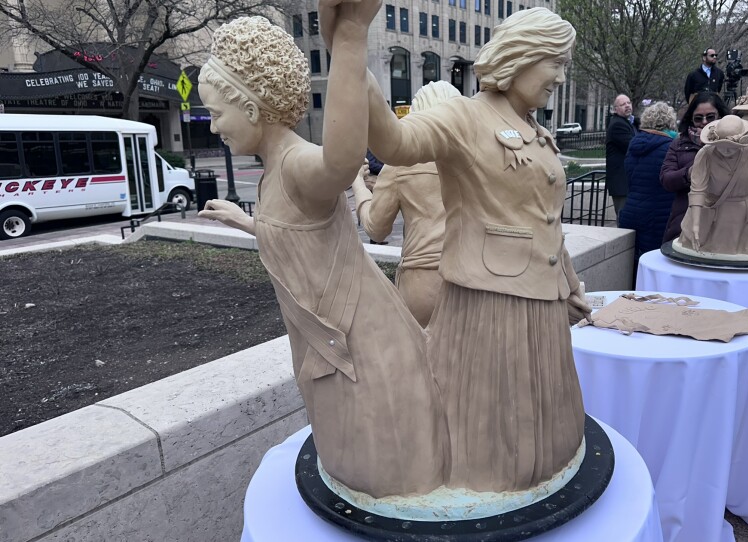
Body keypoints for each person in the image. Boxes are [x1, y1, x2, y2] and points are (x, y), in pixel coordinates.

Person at [196, 15, 448, 498]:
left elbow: (341, 161)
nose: (212, 128)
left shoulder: (297, 164)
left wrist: (350, 38)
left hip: (366, 351)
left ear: (249, 107)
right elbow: (301, 241)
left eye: (216, 113)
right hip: (328, 349)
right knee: (354, 473)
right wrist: (245, 221)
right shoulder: (275, 175)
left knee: (390, 479)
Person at [351, 7, 590, 493]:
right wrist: (352, 50)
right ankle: (496, 487)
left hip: (541, 299)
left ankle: (536, 480)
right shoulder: (463, 115)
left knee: (542, 417)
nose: (561, 78)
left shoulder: (535, 129)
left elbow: (547, 220)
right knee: (493, 421)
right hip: (491, 301)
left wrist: (568, 281)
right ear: (522, 57)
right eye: (555, 63)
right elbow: (395, 142)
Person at [351, 81, 461, 326]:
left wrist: (358, 183)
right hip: (470, 279)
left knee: (422, 358)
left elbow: (376, 228)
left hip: (422, 283)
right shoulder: (476, 157)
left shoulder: (400, 165)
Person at [674, 115, 748, 257]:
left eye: (732, 148)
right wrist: (696, 225)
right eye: (722, 147)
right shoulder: (705, 154)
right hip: (716, 211)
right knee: (712, 253)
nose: (726, 151)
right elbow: (697, 190)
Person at [661, 92, 731, 242]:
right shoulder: (679, 143)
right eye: (698, 118)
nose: (704, 122)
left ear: (721, 116)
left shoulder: (734, 144)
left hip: (724, 221)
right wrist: (689, 173)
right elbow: (666, 179)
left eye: (711, 117)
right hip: (685, 218)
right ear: (691, 118)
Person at [618, 101, 677, 260]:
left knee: (631, 266)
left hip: (631, 212)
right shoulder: (671, 147)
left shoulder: (634, 144)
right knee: (653, 262)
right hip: (658, 217)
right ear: (670, 122)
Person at [606, 94, 638, 217]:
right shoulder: (617, 125)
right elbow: (634, 147)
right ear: (616, 109)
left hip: (628, 182)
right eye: (623, 104)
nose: (627, 106)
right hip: (621, 184)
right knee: (624, 218)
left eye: (628, 103)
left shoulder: (630, 122)